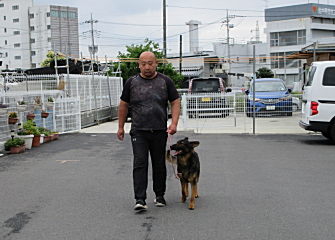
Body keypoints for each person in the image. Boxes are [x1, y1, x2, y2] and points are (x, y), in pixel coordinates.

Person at [117, 51, 180, 211]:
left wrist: (174, 123)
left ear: (156, 63)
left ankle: (160, 195)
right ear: (138, 64)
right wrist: (121, 126)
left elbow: (175, 101)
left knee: (159, 164)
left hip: (159, 130)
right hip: (139, 130)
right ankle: (140, 199)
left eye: (150, 63)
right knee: (140, 163)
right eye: (143, 63)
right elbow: (123, 105)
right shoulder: (132, 82)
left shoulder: (165, 81)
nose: (147, 67)